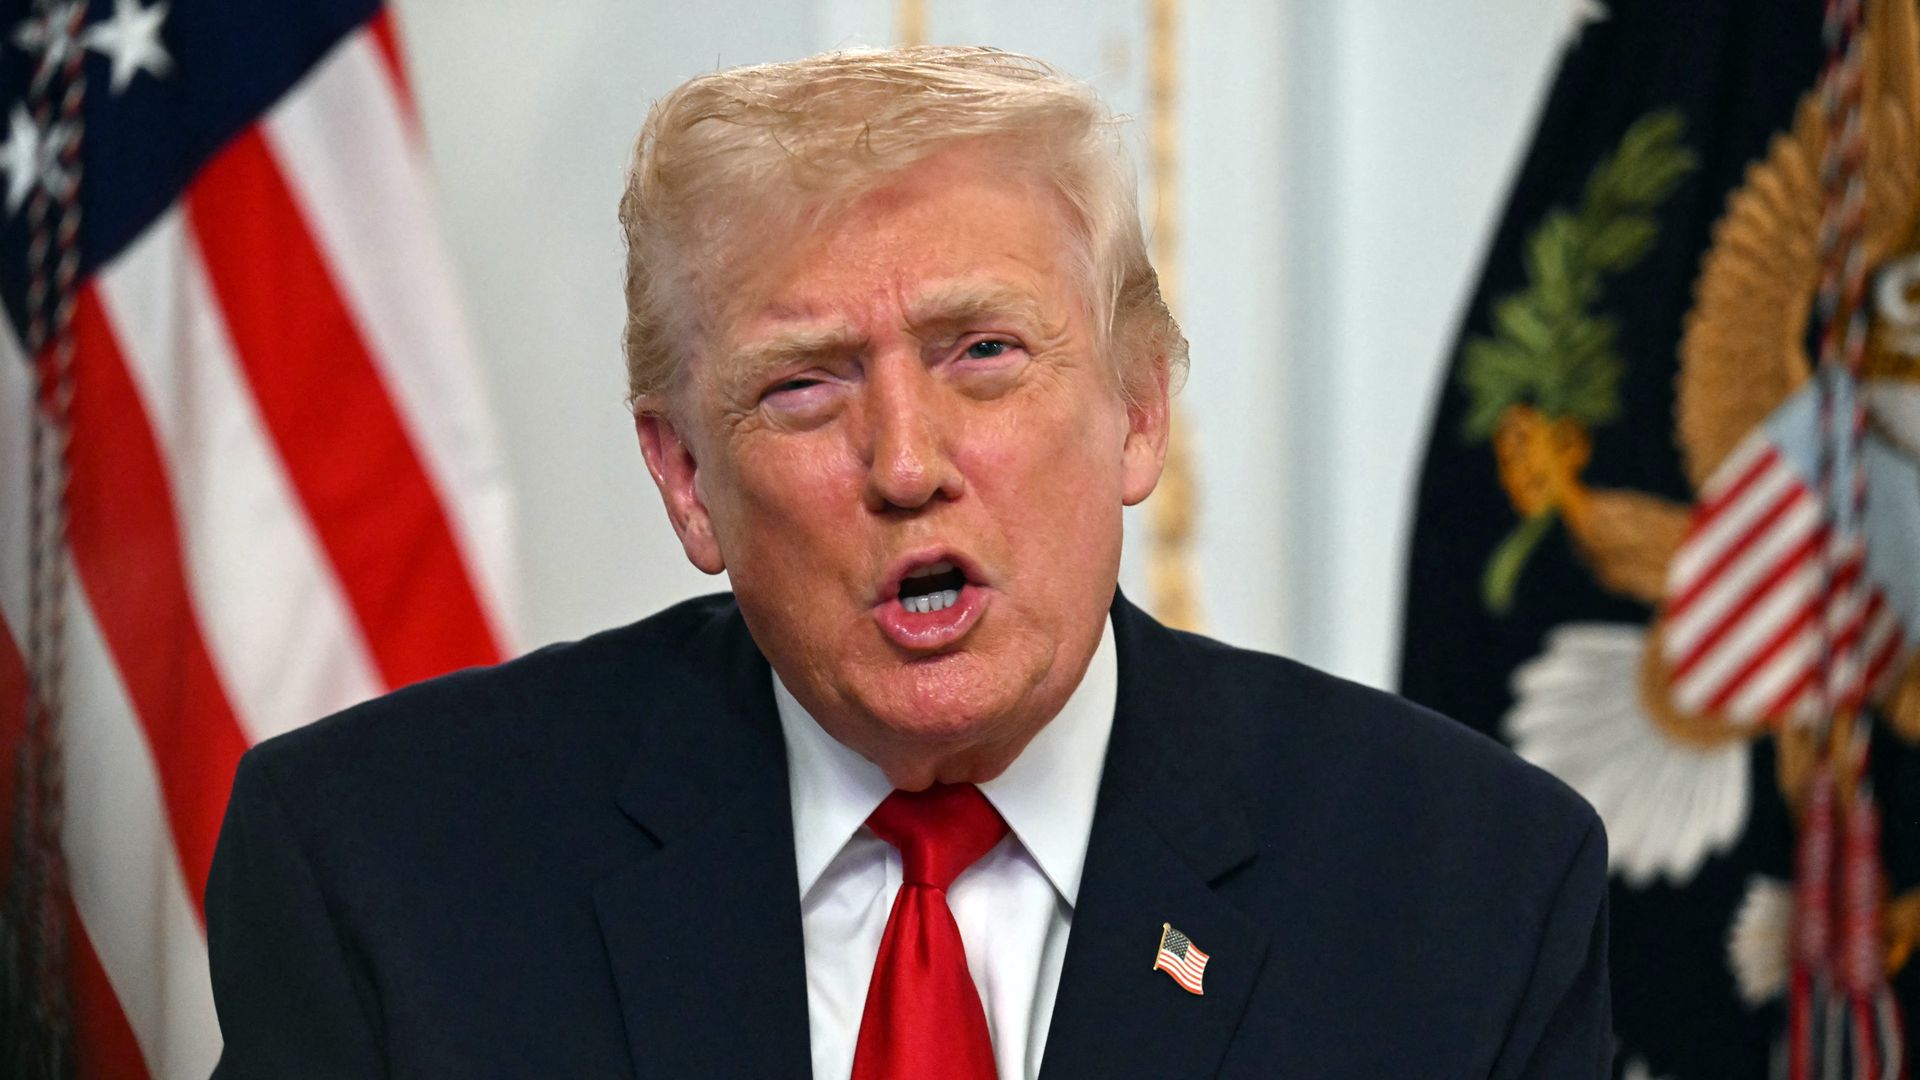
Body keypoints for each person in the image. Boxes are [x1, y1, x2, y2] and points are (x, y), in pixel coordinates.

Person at [205, 46, 1610, 1079]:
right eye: (806, 385)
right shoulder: (383, 869)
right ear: (687, 480)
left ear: (1138, 406)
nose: (905, 461)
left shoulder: (1463, 887)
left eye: (982, 355)